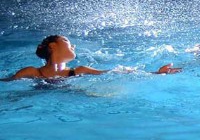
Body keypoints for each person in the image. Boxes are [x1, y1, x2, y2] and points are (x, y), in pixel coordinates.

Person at [7, 35, 180, 80]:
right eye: (67, 41)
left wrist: (157, 73)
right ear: (52, 46)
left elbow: (114, 73)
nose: (73, 46)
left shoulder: (79, 71)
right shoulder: (31, 72)